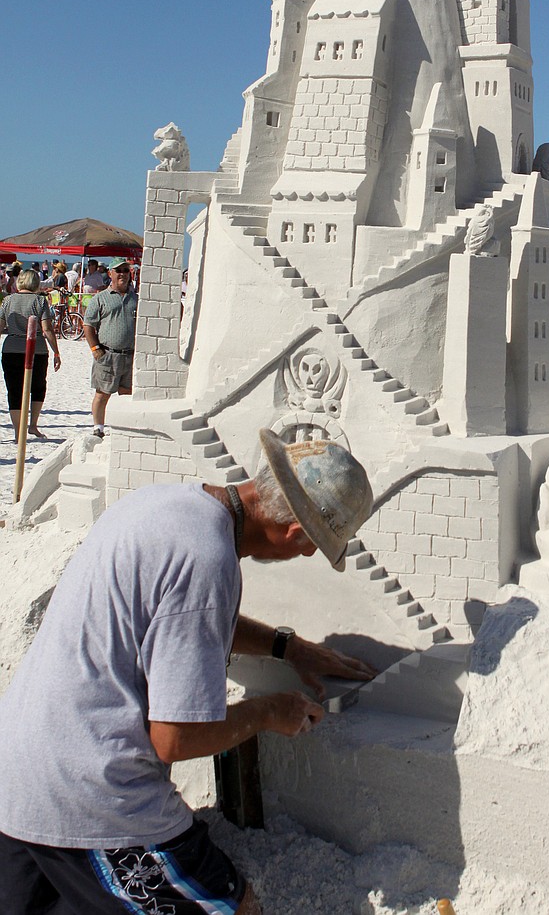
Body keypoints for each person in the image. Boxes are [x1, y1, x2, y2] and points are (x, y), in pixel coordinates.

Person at [0, 433, 376, 914]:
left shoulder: (173, 505)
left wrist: (287, 648)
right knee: (236, 907)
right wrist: (268, 711)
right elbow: (174, 739)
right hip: (90, 792)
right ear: (295, 534)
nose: (305, 557)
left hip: (20, 774)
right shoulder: (208, 560)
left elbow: (178, 619)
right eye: (312, 548)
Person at [0, 267, 61, 440]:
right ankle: (33, 425)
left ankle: (18, 432)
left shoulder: (8, 300)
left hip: (11, 347)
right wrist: (56, 352)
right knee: (38, 387)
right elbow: (47, 329)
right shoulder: (40, 301)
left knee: (14, 389)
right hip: (37, 349)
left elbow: (0, 325)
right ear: (35, 283)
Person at [83, 259, 138, 438]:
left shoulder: (136, 299)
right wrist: (95, 349)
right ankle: (98, 428)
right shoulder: (100, 298)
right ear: (110, 274)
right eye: (118, 270)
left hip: (130, 356)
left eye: (125, 270)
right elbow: (88, 325)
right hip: (107, 354)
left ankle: (123, 428)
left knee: (127, 394)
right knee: (102, 393)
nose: (122, 273)